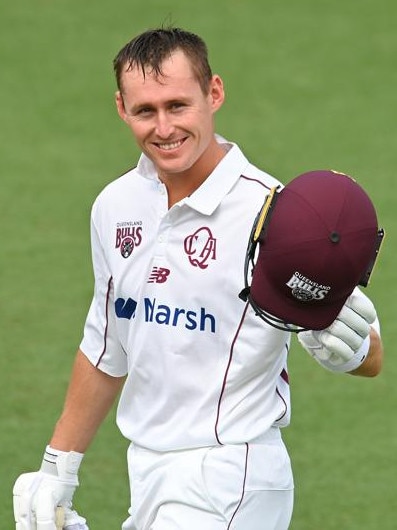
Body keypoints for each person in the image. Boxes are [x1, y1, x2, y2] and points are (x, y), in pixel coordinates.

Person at [13, 27, 383, 530]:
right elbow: (106, 347)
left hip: (233, 474)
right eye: (146, 111)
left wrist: (350, 350)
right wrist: (60, 465)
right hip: (146, 471)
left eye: (177, 105)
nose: (163, 128)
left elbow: (367, 351)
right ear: (122, 108)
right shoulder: (113, 207)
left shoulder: (275, 215)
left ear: (214, 94)